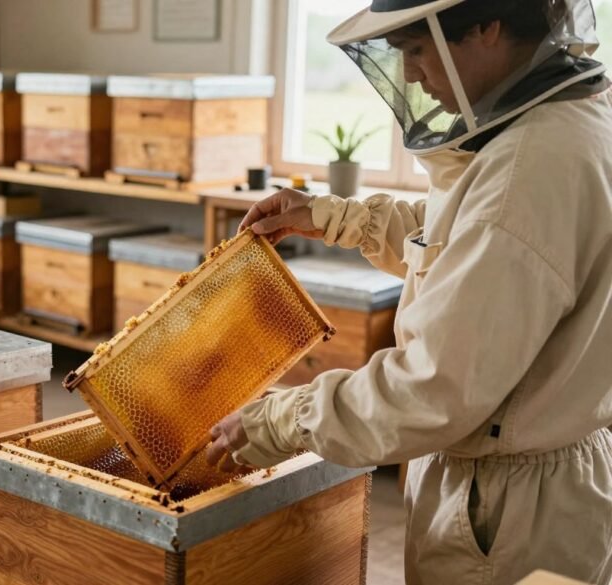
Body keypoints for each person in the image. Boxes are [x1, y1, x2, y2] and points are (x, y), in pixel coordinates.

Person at [205, 1, 612, 583]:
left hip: (505, 511)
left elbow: (434, 385)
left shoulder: (529, 169)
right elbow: (466, 239)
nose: (413, 75)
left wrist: (279, 418)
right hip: (535, 482)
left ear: (485, 28)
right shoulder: (566, 121)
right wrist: (331, 215)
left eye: (417, 50)